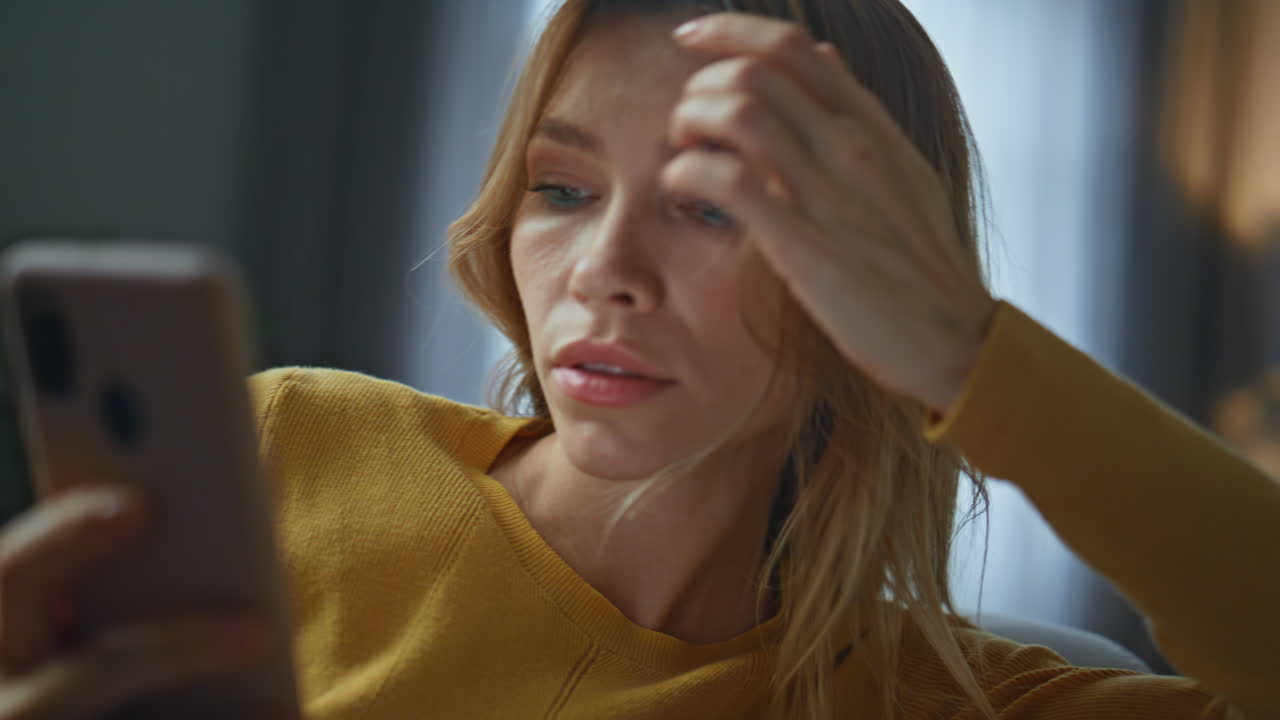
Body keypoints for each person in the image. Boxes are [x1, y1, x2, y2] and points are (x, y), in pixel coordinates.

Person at [2, 0, 1278, 718]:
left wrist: (963, 350)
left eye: (709, 206)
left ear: (870, 275)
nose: (603, 268)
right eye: (561, 189)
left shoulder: (947, 706)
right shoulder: (288, 449)